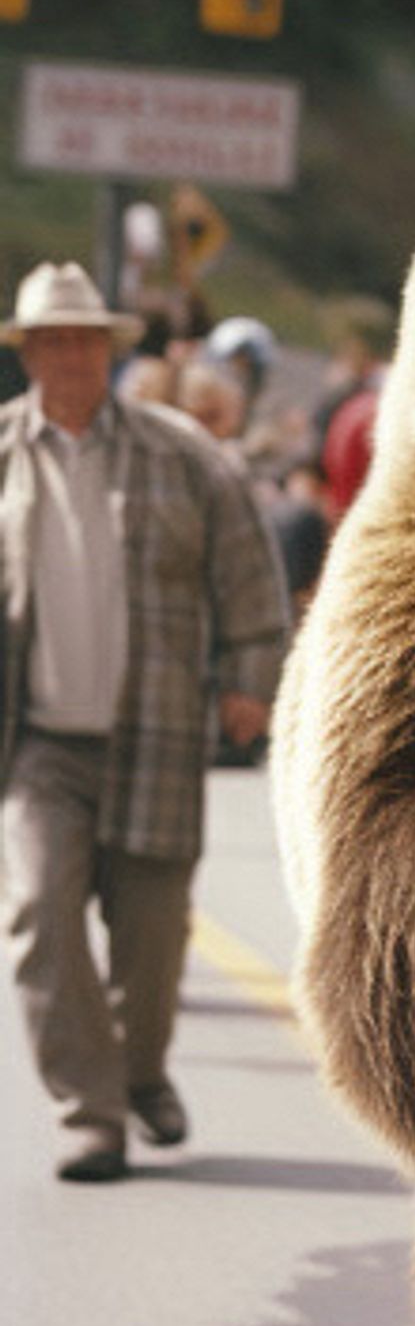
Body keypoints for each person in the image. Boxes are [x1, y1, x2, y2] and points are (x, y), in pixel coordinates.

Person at [0, 262, 289, 1181]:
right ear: (30, 354)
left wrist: (250, 673)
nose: (70, 355)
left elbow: (247, 570)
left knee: (153, 943)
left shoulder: (180, 451)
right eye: (52, 340)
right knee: (39, 916)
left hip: (155, 732)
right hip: (39, 743)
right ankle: (93, 1113)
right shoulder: (3, 455)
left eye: (85, 338)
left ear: (109, 349)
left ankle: (143, 1070)